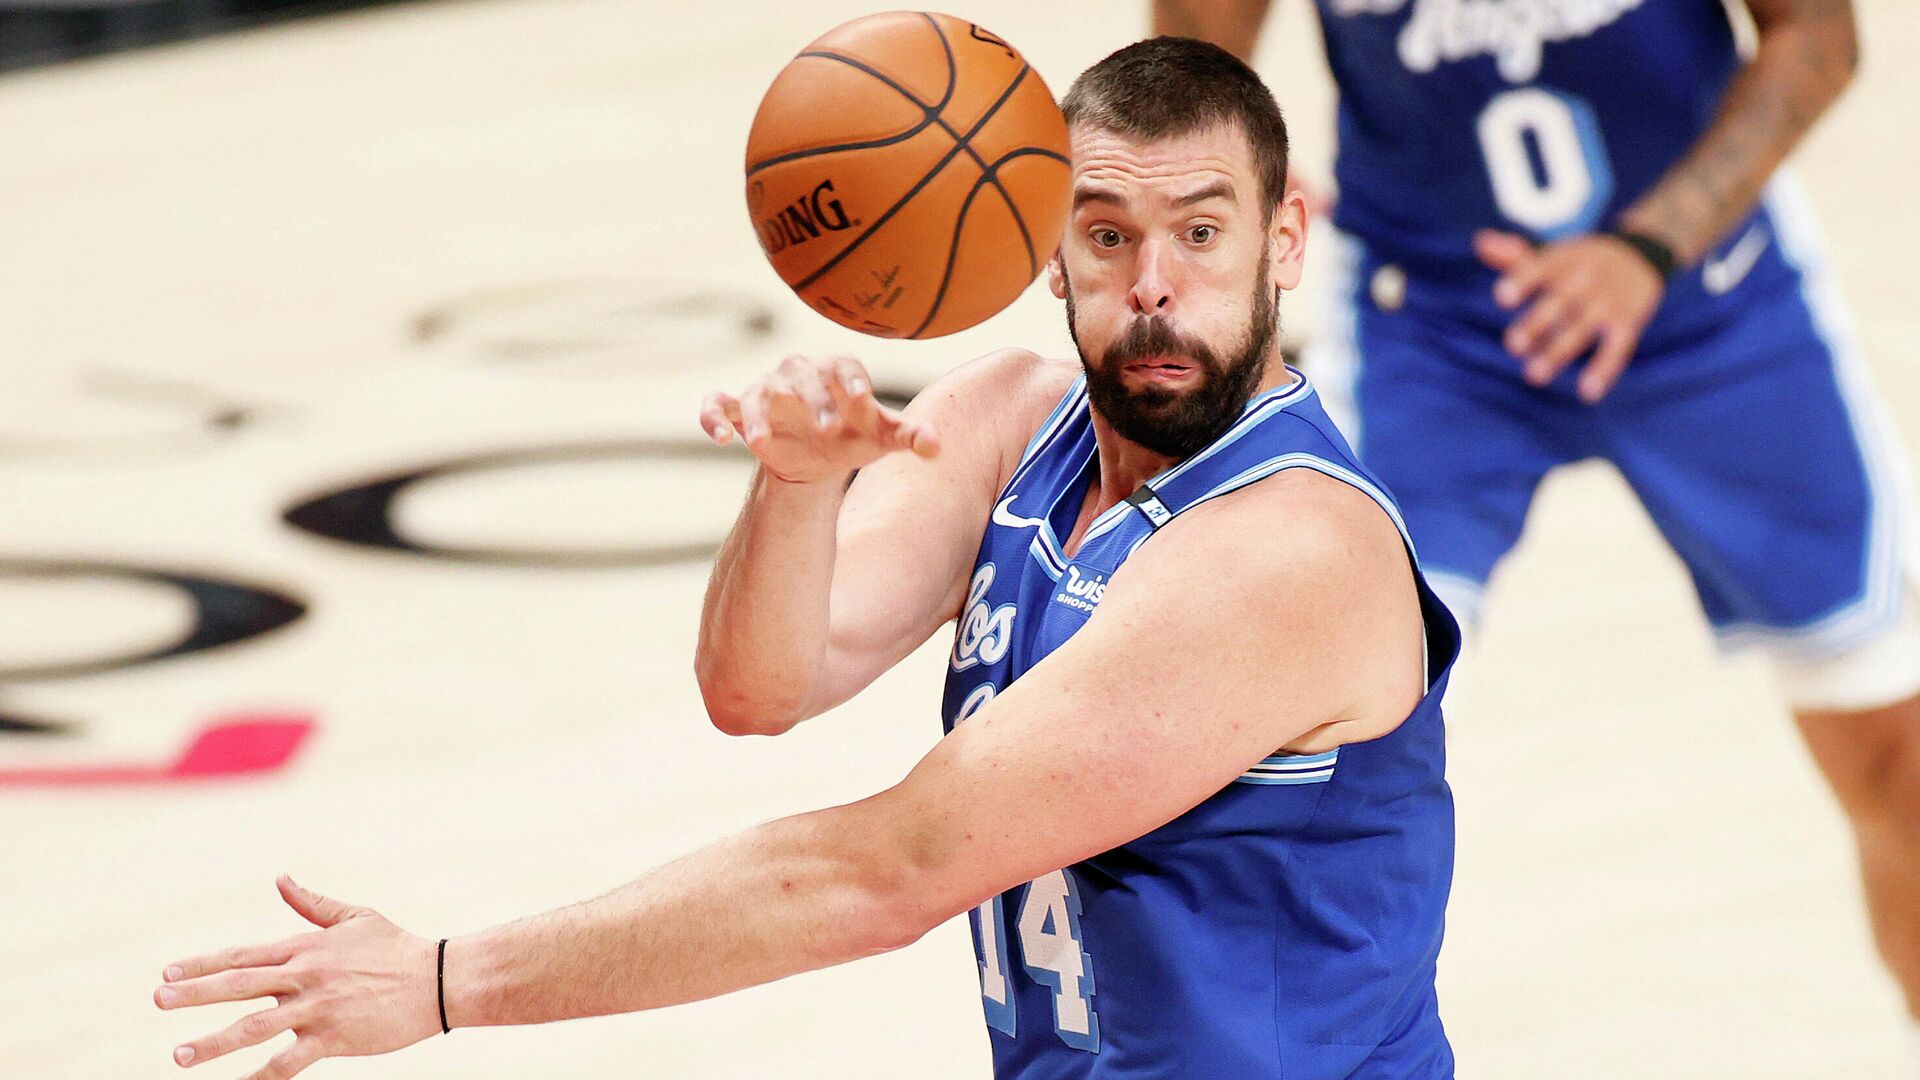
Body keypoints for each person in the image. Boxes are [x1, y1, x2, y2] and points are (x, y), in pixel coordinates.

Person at [153, 40, 1461, 1079]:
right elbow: (763, 687)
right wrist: (796, 487)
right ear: (1045, 249)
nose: (1155, 283)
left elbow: (882, 873)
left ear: (1286, 239)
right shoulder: (1009, 422)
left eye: (1203, 230)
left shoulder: (1287, 552)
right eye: (1109, 234)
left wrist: (447, 982)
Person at [1153, 0, 1920, 1052]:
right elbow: (1197, 56)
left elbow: (1819, 37)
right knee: (1314, 772)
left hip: (1708, 295)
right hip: (1429, 323)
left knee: (1899, 757)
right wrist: (1223, 173)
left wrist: (1647, 248)